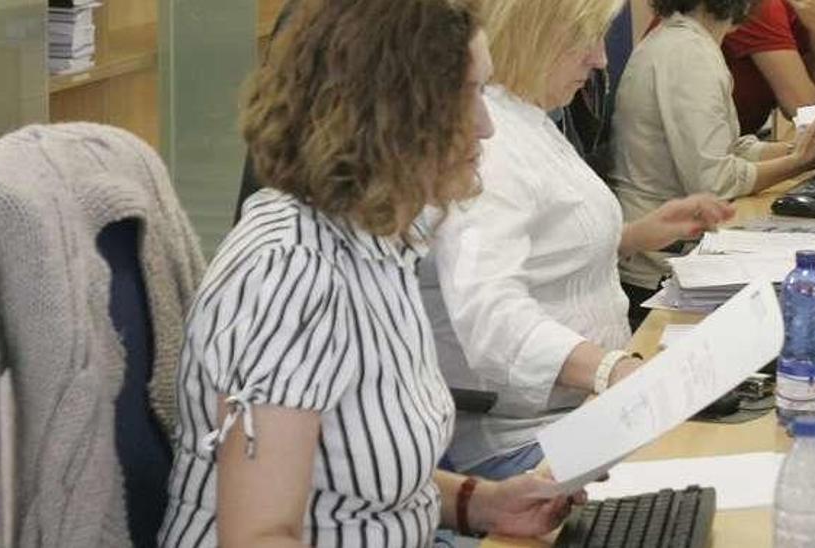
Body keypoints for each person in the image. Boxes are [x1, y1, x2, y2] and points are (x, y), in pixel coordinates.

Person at [158, 1, 577, 546]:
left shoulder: (379, 239)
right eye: (468, 96)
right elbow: (258, 537)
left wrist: (483, 505)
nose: (486, 126)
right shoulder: (287, 274)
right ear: (393, 111)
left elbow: (355, 476)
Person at [420, 0, 736, 482]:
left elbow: (538, 258)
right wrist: (613, 370)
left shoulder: (527, 114)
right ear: (535, 34)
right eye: (584, 40)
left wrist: (634, 235)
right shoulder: (488, 143)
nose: (601, 60)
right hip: (527, 439)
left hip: (581, 412)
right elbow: (490, 314)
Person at [609, 0, 815, 327]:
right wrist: (801, 162)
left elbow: (731, 148)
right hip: (661, 273)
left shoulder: (690, 41)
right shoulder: (689, 55)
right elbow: (715, 182)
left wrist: (803, 147)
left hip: (679, 253)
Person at [723, 0, 815, 135]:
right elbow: (809, 114)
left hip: (742, 136)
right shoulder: (762, 6)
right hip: (724, 144)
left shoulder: (804, 6)